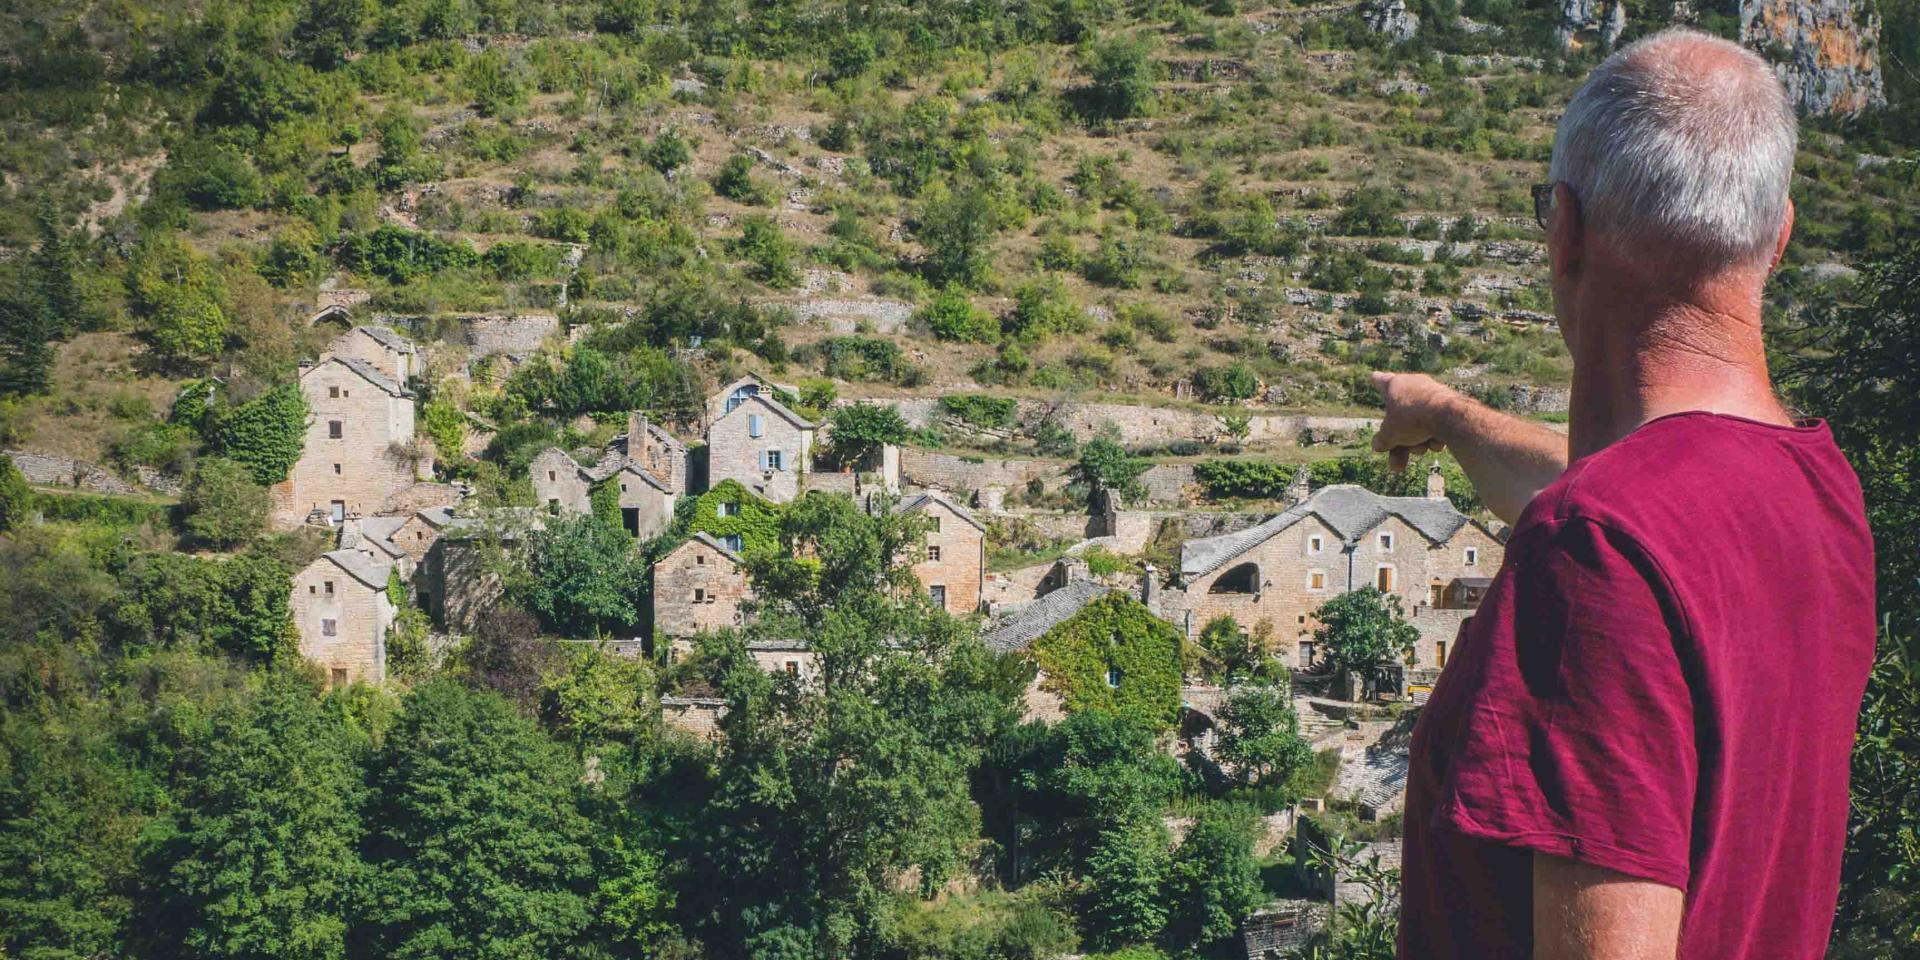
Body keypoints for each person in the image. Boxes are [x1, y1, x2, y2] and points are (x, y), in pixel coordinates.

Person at [1372, 28, 1876, 960]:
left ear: (1564, 228)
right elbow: (1636, 505)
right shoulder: (1815, 491)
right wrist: (1446, 413)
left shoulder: (1594, 547)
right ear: (1778, 235)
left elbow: (1605, 528)